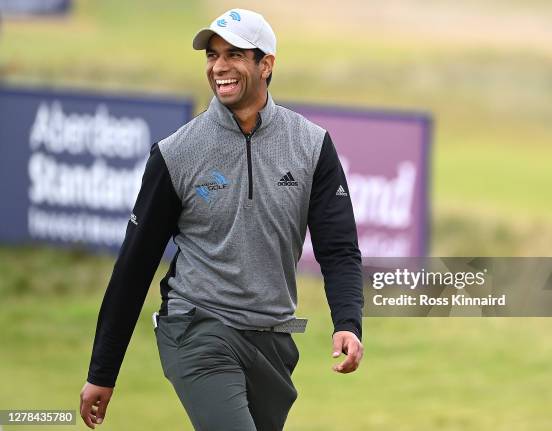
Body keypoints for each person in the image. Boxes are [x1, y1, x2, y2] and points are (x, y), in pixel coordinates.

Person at [79, 8, 364, 430]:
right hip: (197, 328)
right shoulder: (177, 153)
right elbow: (135, 265)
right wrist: (102, 372)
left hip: (272, 337)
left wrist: (348, 322)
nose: (219, 67)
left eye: (234, 54)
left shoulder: (311, 145)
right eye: (212, 56)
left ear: (266, 64)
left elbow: (338, 248)